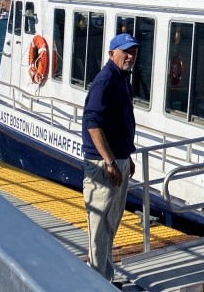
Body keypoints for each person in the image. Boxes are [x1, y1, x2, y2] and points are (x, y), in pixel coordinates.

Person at [82, 33, 139, 284]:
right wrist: (110, 162)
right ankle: (96, 282)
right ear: (111, 54)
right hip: (105, 165)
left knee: (111, 223)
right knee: (98, 225)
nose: (130, 56)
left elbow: (120, 122)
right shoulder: (105, 80)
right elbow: (93, 123)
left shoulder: (122, 79)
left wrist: (127, 155)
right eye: (125, 51)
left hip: (119, 160)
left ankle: (105, 277)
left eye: (133, 52)